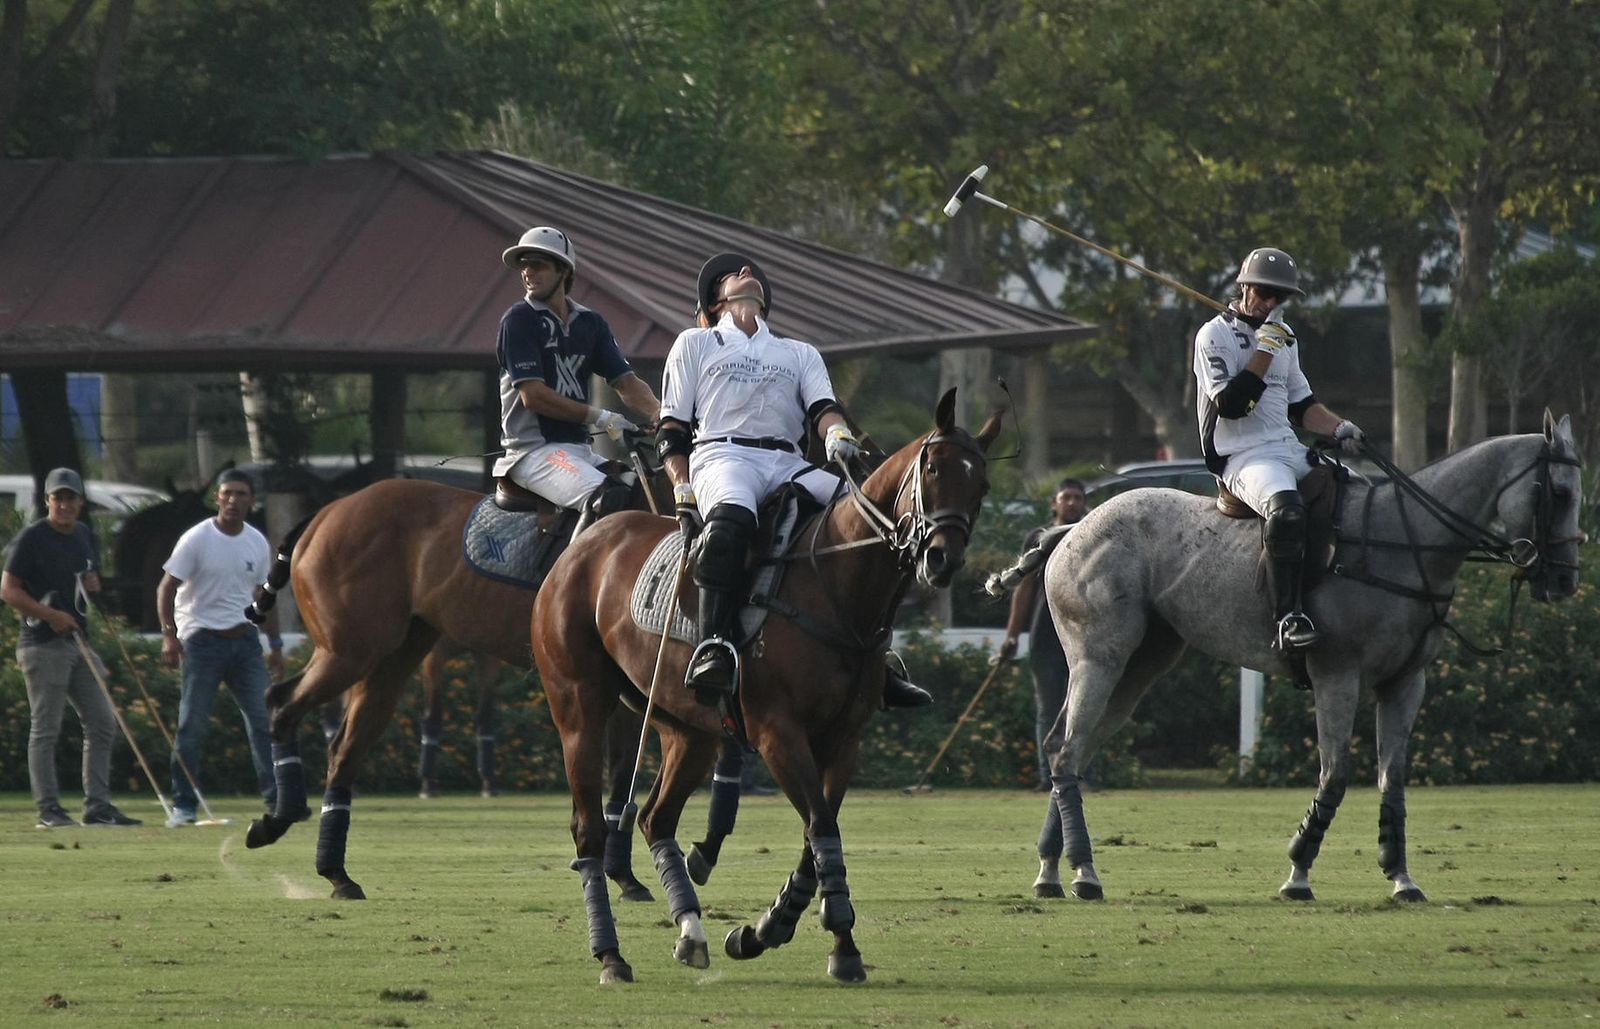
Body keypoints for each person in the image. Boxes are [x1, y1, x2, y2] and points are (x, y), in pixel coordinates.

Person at [657, 251, 930, 708]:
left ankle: (878, 657)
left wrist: (838, 434)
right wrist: (682, 486)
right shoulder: (695, 343)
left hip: (787, 461)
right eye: (731, 275)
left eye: (750, 273)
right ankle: (713, 647)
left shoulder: (798, 352)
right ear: (715, 303)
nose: (745, 274)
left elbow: (823, 409)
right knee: (728, 525)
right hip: (723, 455)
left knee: (876, 524)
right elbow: (672, 430)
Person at [1193, 246, 1364, 651]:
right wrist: (1264, 351)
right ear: (1244, 286)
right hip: (1240, 454)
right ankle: (1288, 617)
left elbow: (1302, 407)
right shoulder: (1213, 335)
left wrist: (1340, 426)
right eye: (1264, 293)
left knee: (1362, 497)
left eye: (1280, 297)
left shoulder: (1285, 340)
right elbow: (1231, 407)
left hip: (1286, 445)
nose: (1271, 303)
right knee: (1287, 510)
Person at [493, 225, 661, 535]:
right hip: (534, 452)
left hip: (579, 450)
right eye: (524, 265)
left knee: (644, 490)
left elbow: (626, 383)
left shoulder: (590, 323)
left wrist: (662, 416)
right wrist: (599, 415)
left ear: (564, 270)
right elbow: (534, 396)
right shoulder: (519, 320)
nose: (528, 272)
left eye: (538, 264)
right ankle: (571, 582)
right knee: (606, 497)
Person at [1, 467, 142, 827]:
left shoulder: (82, 534)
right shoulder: (32, 538)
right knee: (46, 728)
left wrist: (94, 583)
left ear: (80, 502)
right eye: (57, 498)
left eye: (70, 498)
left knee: (102, 722)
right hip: (41, 643)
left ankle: (98, 808)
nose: (64, 504)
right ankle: (48, 810)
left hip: (79, 642)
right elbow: (9, 590)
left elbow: (86, 577)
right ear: (47, 501)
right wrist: (49, 614)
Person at [156, 469, 282, 827]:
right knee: (192, 726)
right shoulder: (197, 539)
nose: (232, 500)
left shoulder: (256, 542)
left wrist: (274, 644)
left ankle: (276, 801)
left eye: (240, 494)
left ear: (251, 500)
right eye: (226, 493)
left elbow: (264, 597)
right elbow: (166, 588)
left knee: (264, 723)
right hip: (202, 642)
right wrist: (170, 635)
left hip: (244, 643)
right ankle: (184, 806)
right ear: (217, 498)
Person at [994, 478, 1087, 791]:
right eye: (1066, 497)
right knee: (1049, 708)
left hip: (1084, 634)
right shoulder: (1039, 538)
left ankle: (1081, 776)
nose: (1072, 503)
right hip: (1044, 633)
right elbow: (1024, 589)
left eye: (1077, 498)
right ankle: (1047, 778)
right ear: (1054, 503)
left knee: (1084, 707)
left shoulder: (1092, 532)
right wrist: (1011, 636)